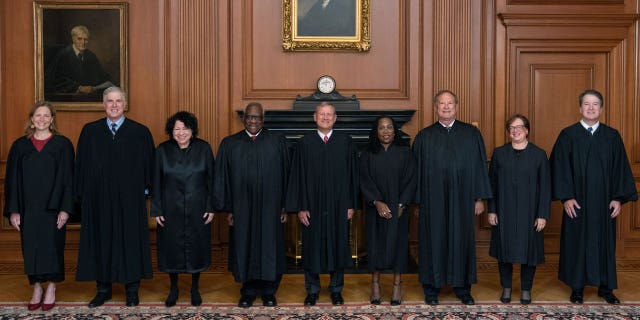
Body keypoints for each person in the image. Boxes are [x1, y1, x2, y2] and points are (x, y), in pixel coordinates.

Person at [550, 89, 637, 304]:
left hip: (603, 202)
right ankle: (577, 288)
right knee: (576, 243)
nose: (590, 108)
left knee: (604, 242)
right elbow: (559, 168)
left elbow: (620, 169)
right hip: (577, 203)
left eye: (595, 104)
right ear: (580, 108)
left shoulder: (612, 136)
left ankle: (605, 288)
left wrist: (618, 198)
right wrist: (566, 197)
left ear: (601, 108)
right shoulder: (568, 135)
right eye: (586, 104)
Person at [75, 86, 155, 307]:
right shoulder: (89, 132)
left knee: (131, 241)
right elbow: (80, 167)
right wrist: (82, 197)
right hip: (98, 201)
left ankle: (132, 289)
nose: (114, 105)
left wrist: (145, 193)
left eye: (118, 101)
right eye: (109, 101)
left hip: (130, 200)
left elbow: (149, 167)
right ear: (103, 104)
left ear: (125, 104)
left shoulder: (140, 132)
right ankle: (103, 289)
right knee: (101, 241)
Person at [412, 90, 492, 305]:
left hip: (463, 198)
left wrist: (479, 198)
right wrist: (418, 202)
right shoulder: (424, 136)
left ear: (456, 106)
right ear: (435, 107)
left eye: (450, 103)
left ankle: (462, 288)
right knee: (432, 240)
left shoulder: (471, 134)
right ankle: (431, 288)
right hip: (432, 200)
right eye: (441, 103)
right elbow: (416, 172)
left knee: (461, 240)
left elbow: (479, 166)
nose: (446, 107)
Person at [214, 102, 289, 308]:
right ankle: (247, 291)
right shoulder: (230, 143)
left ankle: (268, 292)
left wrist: (284, 206)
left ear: (263, 119)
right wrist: (228, 208)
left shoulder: (277, 142)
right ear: (243, 118)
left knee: (270, 247)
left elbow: (287, 175)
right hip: (241, 208)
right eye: (249, 117)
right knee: (244, 246)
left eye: (257, 117)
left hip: (271, 207)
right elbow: (223, 178)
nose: (253, 121)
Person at [286, 101, 359, 306]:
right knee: (312, 247)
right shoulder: (304, 144)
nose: (325, 118)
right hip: (312, 206)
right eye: (322, 114)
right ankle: (312, 290)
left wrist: (351, 204)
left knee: (338, 245)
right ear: (314, 117)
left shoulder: (346, 142)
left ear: (335, 118)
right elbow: (297, 178)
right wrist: (301, 206)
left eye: (329, 114)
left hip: (339, 205)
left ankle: (336, 289)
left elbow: (354, 175)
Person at [4, 101, 74, 311]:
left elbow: (69, 179)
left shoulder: (63, 144)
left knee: (53, 247)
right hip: (28, 208)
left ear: (52, 120)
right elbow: (12, 180)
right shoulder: (20, 146)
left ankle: (51, 287)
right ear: (32, 119)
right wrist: (14, 209)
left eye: (46, 116)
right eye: (38, 115)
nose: (42, 119)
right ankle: (36, 287)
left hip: (54, 208)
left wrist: (65, 208)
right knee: (30, 247)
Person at [151, 111, 214, 307]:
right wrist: (157, 210)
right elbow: (156, 182)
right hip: (170, 210)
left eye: (185, 128)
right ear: (171, 131)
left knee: (197, 247)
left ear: (192, 130)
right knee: (171, 249)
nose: (181, 133)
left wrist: (211, 207)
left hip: (198, 209)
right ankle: (174, 288)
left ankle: (195, 288)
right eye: (176, 129)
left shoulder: (204, 149)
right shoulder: (162, 150)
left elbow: (212, 181)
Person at [487, 114, 551, 305]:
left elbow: (545, 188)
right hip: (504, 211)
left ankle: (525, 289)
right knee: (504, 251)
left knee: (529, 253)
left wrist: (542, 215)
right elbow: (492, 186)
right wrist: (492, 210)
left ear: (527, 130)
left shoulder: (539, 154)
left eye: (519, 127)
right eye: (511, 128)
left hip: (530, 213)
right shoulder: (499, 153)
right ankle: (506, 287)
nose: (515, 131)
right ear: (508, 132)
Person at [359, 116, 416, 306]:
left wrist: (401, 205)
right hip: (375, 208)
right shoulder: (368, 153)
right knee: (375, 245)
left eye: (389, 127)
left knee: (398, 246)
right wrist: (376, 202)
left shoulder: (405, 152)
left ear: (394, 130)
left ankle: (397, 285)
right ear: (376, 131)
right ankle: (375, 284)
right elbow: (364, 179)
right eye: (381, 128)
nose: (385, 131)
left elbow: (411, 179)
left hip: (399, 207)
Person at [44, 25, 114, 101]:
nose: (83, 42)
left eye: (86, 39)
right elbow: (55, 79)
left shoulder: (91, 56)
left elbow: (102, 76)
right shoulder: (63, 55)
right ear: (73, 39)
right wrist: (79, 88)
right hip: (67, 99)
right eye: (79, 39)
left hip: (88, 98)